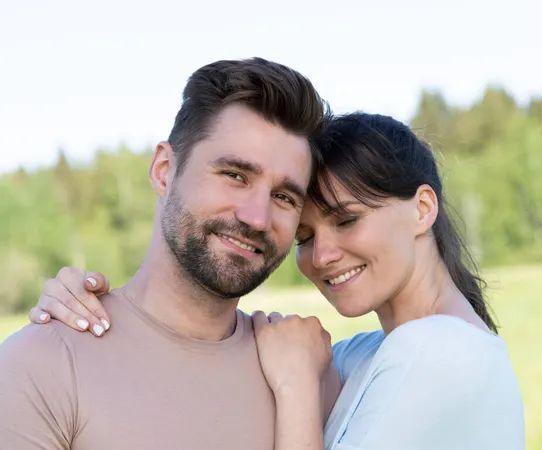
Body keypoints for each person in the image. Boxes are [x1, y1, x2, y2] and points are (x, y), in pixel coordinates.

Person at [26, 113, 526, 449]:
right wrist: (87, 303)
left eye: (348, 219)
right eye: (305, 234)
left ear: (422, 209)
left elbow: (290, 369)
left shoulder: (437, 354)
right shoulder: (374, 354)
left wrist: (296, 390)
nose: (323, 255)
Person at [0, 57, 341, 450]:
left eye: (283, 196)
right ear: (164, 170)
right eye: (234, 175)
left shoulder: (310, 377)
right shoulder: (43, 365)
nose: (257, 217)